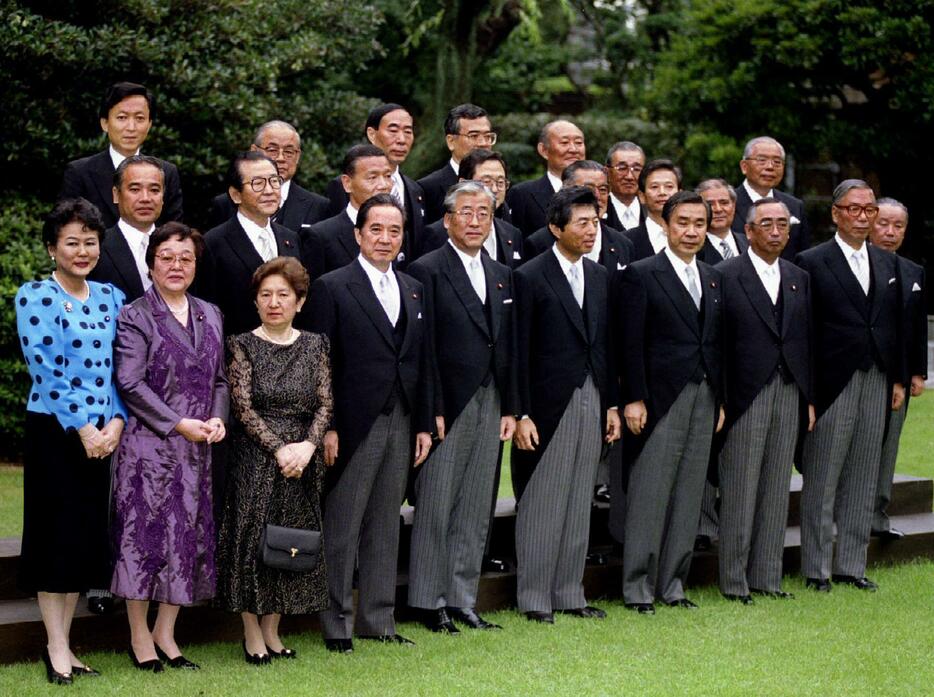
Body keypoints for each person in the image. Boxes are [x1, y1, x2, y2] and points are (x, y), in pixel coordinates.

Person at [309, 194, 433, 652]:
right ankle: (336, 622)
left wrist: (422, 423)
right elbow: (321, 364)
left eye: (394, 231)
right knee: (342, 526)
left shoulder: (414, 287)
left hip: (401, 419)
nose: (385, 238)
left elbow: (422, 360)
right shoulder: (332, 286)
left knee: (385, 523)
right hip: (353, 424)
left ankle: (378, 618)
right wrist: (330, 426)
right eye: (376, 229)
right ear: (358, 234)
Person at [15, 198, 126, 683]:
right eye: (71, 242)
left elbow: (122, 371)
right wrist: (83, 427)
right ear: (51, 248)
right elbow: (47, 367)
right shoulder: (35, 295)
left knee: (82, 538)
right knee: (53, 537)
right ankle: (55, 646)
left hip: (103, 435)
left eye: (90, 242)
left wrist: (115, 425)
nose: (82, 251)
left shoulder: (111, 297)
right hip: (57, 434)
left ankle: (68, 642)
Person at [110, 222, 228, 672]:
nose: (176, 266)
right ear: (151, 263)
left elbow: (220, 378)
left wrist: (217, 417)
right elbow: (130, 382)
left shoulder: (211, 313)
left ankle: (167, 633)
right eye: (167, 257)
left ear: (196, 265)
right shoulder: (135, 315)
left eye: (186, 258)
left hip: (198, 450)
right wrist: (178, 423)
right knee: (144, 540)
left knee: (186, 540)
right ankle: (140, 638)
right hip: (148, 448)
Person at [406, 181, 518, 633]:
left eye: (483, 214)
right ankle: (427, 600)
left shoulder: (501, 272)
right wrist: (430, 407)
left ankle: (462, 598)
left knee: (476, 504)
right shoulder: (426, 270)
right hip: (447, 404)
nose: (475, 222)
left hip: (490, 399)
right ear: (448, 220)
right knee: (436, 503)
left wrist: (512, 406)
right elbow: (423, 347)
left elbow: (508, 344)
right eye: (466, 213)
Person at [512, 186, 621, 623]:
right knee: (543, 500)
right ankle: (535, 597)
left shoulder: (599, 276)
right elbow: (517, 352)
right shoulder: (530, 276)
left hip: (592, 397)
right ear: (556, 228)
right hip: (546, 404)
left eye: (595, 222)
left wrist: (611, 405)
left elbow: (606, 347)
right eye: (582, 223)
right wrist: (521, 413)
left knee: (579, 499)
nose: (591, 230)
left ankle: (569, 592)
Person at [216, 257, 332, 664]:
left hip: (302, 460)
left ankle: (273, 630)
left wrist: (307, 446)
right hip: (256, 459)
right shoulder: (240, 344)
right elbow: (243, 407)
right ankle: (251, 632)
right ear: (256, 301)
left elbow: (325, 403)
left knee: (289, 543)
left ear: (299, 301)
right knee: (252, 543)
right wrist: (279, 448)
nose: (274, 302)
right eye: (265, 295)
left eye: (283, 295)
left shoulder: (316, 344)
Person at [616, 191, 724, 614]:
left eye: (699, 223)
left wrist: (722, 400)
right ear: (665, 224)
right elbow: (631, 344)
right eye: (683, 222)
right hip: (659, 398)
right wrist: (634, 399)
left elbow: (717, 344)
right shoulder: (641, 274)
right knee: (650, 492)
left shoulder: (714, 277)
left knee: (689, 493)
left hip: (704, 395)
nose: (692, 231)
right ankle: (638, 587)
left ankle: (674, 584)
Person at [795, 180, 904, 592]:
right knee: (822, 478)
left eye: (869, 210)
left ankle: (851, 565)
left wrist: (896, 376)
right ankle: (816, 569)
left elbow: (894, 326)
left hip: (876, 378)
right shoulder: (811, 261)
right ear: (836, 214)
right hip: (831, 382)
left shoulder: (888, 263)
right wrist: (808, 393)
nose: (862, 217)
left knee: (863, 474)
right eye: (853, 209)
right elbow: (802, 331)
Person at [716, 198, 814, 603]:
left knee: (776, 486)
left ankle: (767, 577)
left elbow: (804, 340)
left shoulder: (797, 276)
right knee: (740, 487)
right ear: (749, 231)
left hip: (788, 390)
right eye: (766, 225)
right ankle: (735, 581)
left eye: (782, 225)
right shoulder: (724, 274)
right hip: (745, 392)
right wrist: (721, 399)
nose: (776, 231)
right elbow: (717, 344)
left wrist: (807, 397)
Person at [693, 178, 750, 551]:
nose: (719, 208)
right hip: (711, 360)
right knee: (706, 451)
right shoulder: (695, 254)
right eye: (710, 203)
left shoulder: (749, 244)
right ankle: (702, 525)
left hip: (747, 363)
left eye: (725, 202)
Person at [869, 198, 927, 541]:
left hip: (902, 376)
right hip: (863, 373)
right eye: (883, 224)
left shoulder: (912, 271)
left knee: (889, 446)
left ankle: (878, 514)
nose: (890, 232)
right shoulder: (857, 269)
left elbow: (916, 327)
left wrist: (917, 372)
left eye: (898, 226)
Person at [199, 151, 302, 335]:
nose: (269, 190)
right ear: (235, 194)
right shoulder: (213, 243)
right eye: (258, 183)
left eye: (274, 181)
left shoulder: (291, 239)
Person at [59, 82, 183, 228]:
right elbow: (65, 231)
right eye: (122, 118)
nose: (131, 127)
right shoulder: (80, 173)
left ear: (149, 125)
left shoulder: (167, 172)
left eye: (139, 118)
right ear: (105, 123)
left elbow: (173, 233)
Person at [325, 104, 427, 266]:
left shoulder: (416, 189)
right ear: (372, 134)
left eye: (408, 131)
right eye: (393, 131)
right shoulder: (342, 186)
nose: (401, 139)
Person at [208, 120, 330, 232]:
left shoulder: (319, 206)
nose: (280, 158)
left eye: (288, 152)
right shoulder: (226, 203)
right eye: (272, 150)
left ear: (297, 156)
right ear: (254, 151)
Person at [523, 160, 634, 274]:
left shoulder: (623, 243)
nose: (597, 197)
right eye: (588, 189)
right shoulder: (539, 243)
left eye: (603, 190)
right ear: (566, 190)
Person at [302, 144, 393, 282]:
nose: (383, 185)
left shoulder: (399, 231)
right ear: (347, 183)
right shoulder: (321, 236)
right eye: (372, 177)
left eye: (387, 176)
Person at [419, 149, 524, 267]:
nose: (494, 189)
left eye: (500, 182)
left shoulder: (512, 233)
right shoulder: (438, 233)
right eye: (486, 181)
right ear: (463, 183)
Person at [89, 155, 165, 303]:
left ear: (163, 196)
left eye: (154, 190)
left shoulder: (181, 248)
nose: (145, 198)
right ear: (116, 194)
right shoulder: (96, 247)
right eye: (135, 189)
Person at [731, 136, 810, 260]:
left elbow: (803, 256)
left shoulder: (795, 206)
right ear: (744, 166)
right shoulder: (727, 204)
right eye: (762, 160)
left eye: (777, 162)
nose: (770, 167)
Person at [418, 104, 497, 223]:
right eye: (474, 136)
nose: (483, 143)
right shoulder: (428, 189)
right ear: (451, 141)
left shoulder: (499, 186)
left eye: (487, 136)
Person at [507, 120, 586, 238]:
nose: (573, 149)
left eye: (579, 143)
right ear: (543, 150)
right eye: (564, 143)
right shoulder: (522, 194)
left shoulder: (598, 191)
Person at [624, 159, 682, 261]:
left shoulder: (693, 237)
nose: (662, 192)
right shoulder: (625, 241)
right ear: (642, 196)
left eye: (669, 186)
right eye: (654, 187)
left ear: (680, 193)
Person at [605, 141, 646, 231]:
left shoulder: (652, 213)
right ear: (607, 172)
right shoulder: (599, 211)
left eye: (636, 169)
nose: (629, 176)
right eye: (622, 168)